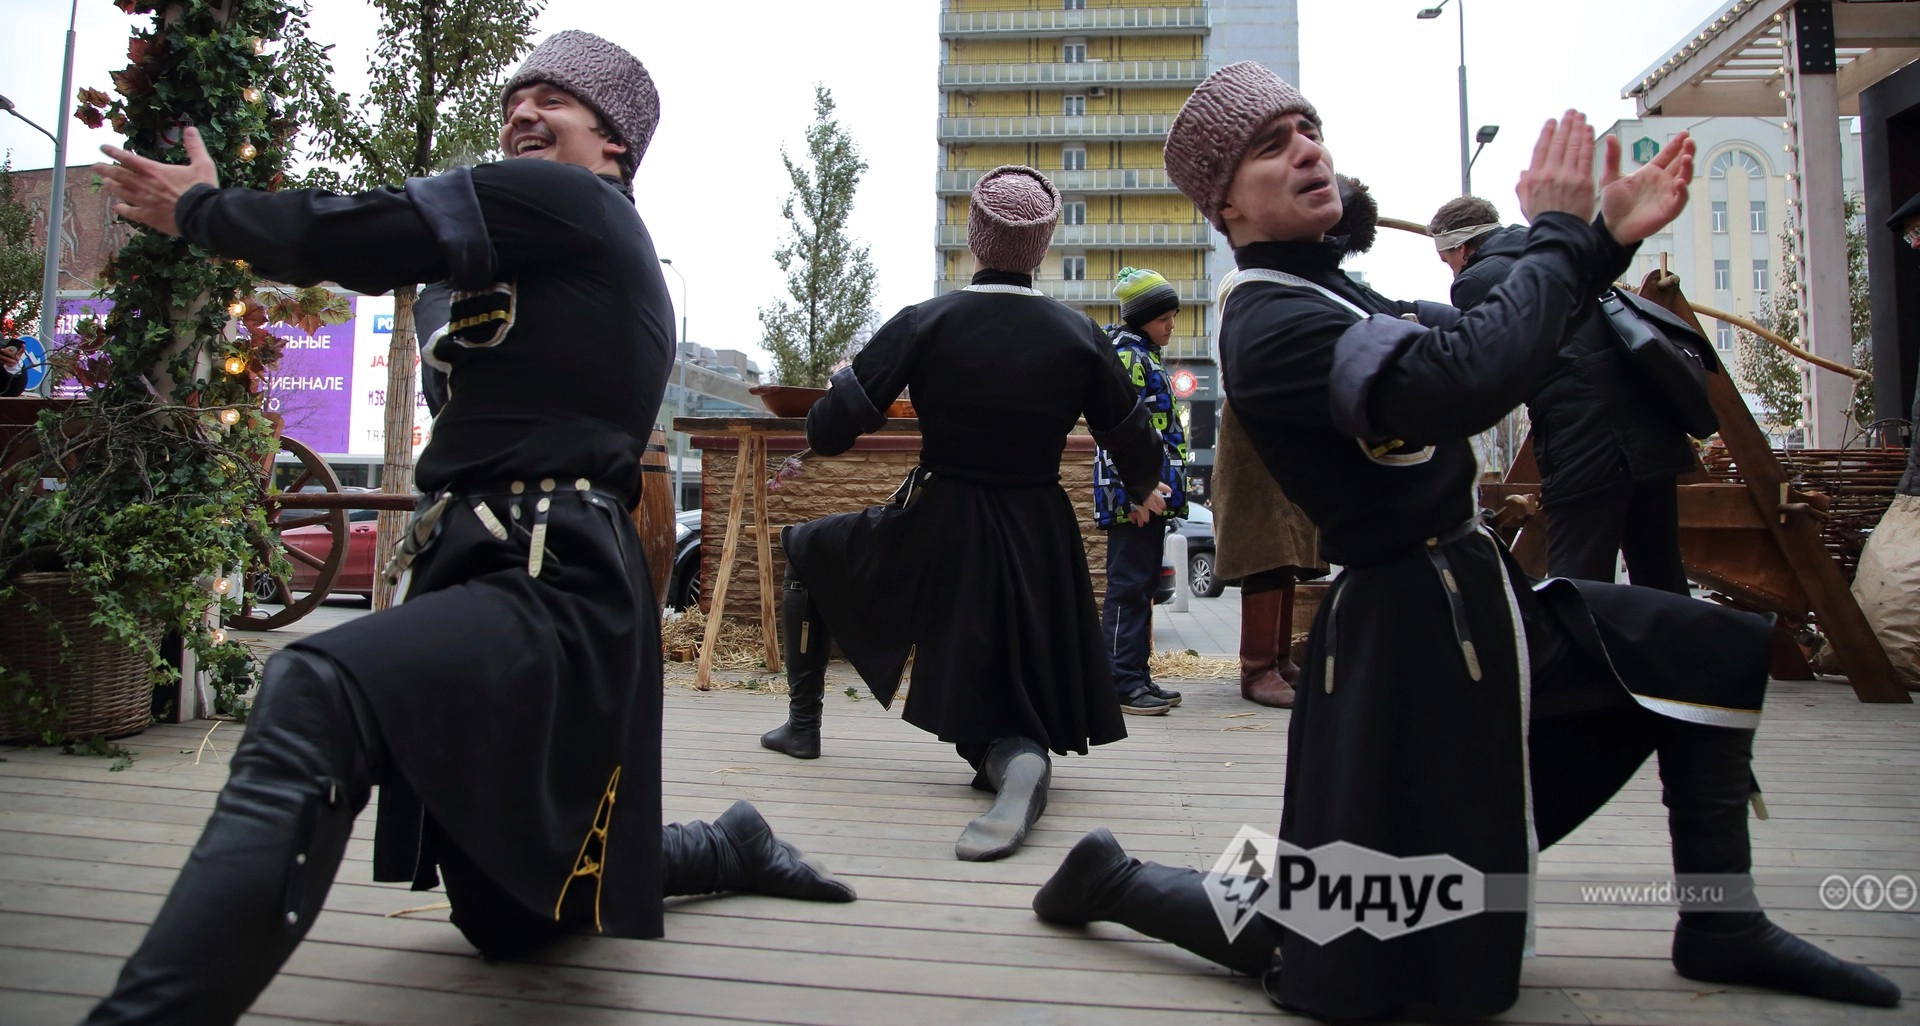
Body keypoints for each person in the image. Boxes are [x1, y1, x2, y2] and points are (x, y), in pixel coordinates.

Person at [1033, 61, 1900, 1020]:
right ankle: (1115, 879)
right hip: (1410, 644)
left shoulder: (1334, 290)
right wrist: (1559, 232)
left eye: (1309, 130)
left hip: (1478, 609)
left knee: (1697, 649)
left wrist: (1600, 239)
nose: (1308, 150)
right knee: (1350, 928)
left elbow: (1496, 330)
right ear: (1225, 204)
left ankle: (1721, 921)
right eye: (1271, 146)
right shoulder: (1271, 320)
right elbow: (1463, 378)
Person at [83, 31, 852, 1025]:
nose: (522, 111)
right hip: (486, 568)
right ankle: (723, 844)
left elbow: (372, 233)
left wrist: (205, 211)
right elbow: (447, 319)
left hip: (550, 576)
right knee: (507, 919)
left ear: (614, 145)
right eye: (513, 100)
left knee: (314, 684)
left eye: (554, 100)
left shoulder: (580, 203)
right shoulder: (540, 266)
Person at [758, 165, 1165, 863]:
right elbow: (1138, 447)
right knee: (1002, 692)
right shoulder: (1079, 335)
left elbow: (829, 432)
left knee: (806, 548)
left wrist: (843, 386)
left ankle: (805, 728)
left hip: (939, 527)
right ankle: (1016, 756)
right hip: (1041, 538)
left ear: (975, 238)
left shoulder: (926, 321)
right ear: (1041, 247)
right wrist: (1140, 488)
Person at [1430, 195, 1696, 593]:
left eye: (1446, 259)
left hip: (1586, 435)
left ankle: (1584, 640)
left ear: (1463, 247)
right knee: (1660, 574)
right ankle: (1674, 635)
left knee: (1576, 585)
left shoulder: (1477, 280)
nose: (1450, 269)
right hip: (1650, 422)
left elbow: (1490, 364)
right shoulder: (1552, 252)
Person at [1212, 177, 1374, 708]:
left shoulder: (1303, 281)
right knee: (1266, 547)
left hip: (1288, 420)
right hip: (1254, 424)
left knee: (1287, 551)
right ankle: (1257, 667)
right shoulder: (1251, 281)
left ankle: (1278, 659)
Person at [1094, 266, 1190, 716]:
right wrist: (1135, 491)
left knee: (1142, 584)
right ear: (1141, 318)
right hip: (1136, 495)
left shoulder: (1142, 354)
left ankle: (1135, 673)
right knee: (1130, 586)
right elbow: (1118, 428)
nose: (1171, 326)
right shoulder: (1129, 358)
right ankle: (1120, 681)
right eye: (1163, 318)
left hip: (1148, 492)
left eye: (1173, 317)